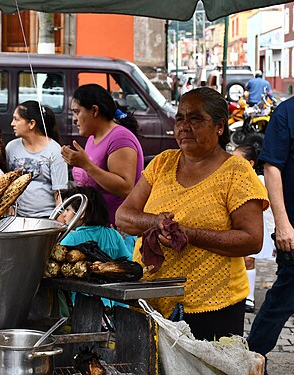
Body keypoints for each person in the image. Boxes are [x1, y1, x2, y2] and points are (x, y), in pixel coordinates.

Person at [116, 87, 268, 341]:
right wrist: (156, 222)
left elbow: (252, 239)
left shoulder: (238, 172)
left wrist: (190, 234)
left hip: (214, 304)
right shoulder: (163, 162)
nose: (184, 126)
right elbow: (123, 216)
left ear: (219, 127)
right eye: (180, 118)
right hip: (152, 299)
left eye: (195, 119)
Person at [247, 57, 294, 364]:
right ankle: (252, 359)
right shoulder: (289, 112)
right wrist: (282, 224)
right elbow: (272, 167)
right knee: (283, 299)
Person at [61, 83, 144, 227]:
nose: (74, 118)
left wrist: (86, 165)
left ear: (94, 110)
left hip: (114, 230)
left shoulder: (120, 138)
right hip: (93, 226)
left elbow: (126, 188)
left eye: (77, 112)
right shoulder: (92, 139)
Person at [5, 100, 68, 218]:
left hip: (45, 217)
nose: (12, 124)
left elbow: (59, 194)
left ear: (31, 123)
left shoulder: (54, 150)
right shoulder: (11, 148)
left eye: (16, 119)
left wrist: (58, 224)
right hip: (15, 218)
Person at [232, 145, 275, 313]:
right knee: (247, 259)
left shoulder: (262, 180)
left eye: (237, 159)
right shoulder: (231, 180)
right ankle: (247, 297)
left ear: (250, 163)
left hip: (266, 225)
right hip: (244, 226)